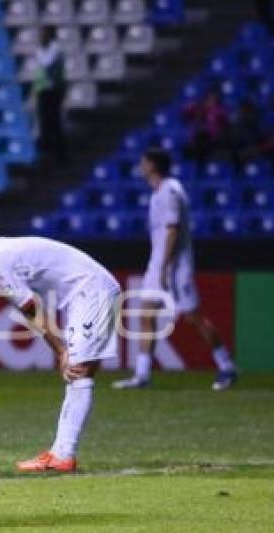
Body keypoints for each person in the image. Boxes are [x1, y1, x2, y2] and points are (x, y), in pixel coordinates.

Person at [0, 237, 122, 473]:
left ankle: (63, 455)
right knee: (79, 372)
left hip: (92, 292)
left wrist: (61, 350)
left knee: (77, 371)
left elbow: (32, 309)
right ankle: (61, 453)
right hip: (87, 292)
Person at [113, 149, 238, 391]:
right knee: (146, 316)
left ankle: (227, 367)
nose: (140, 166)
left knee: (193, 317)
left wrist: (165, 265)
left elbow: (173, 228)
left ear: (152, 165)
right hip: (158, 264)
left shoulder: (170, 190)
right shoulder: (157, 193)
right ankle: (142, 375)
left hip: (174, 266)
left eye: (143, 162)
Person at [31, 28, 68, 165]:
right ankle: (47, 154)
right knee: (44, 122)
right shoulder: (42, 50)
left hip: (54, 90)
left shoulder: (55, 50)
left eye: (44, 35)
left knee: (54, 123)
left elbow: (47, 64)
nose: (41, 37)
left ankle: (60, 156)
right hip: (44, 90)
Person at [183, 89, 230, 167]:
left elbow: (225, 122)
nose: (210, 102)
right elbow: (186, 112)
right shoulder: (199, 110)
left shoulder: (220, 111)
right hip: (198, 141)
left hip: (213, 141)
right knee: (189, 149)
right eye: (209, 99)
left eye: (213, 99)